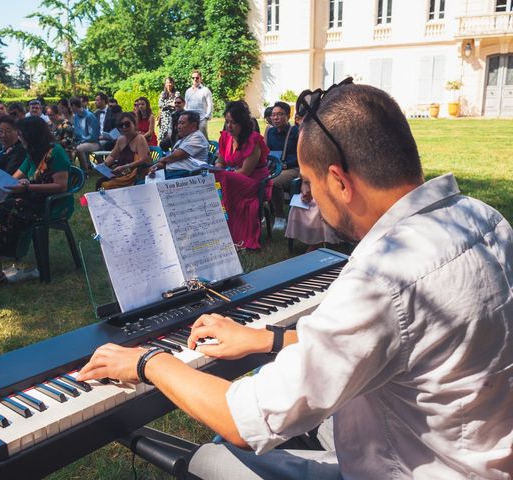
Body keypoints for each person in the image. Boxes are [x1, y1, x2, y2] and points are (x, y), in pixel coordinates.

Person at [76, 82, 513, 480]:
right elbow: (388, 341)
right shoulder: (484, 218)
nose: (311, 198)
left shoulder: (384, 275)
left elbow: (246, 420)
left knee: (215, 456)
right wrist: (266, 340)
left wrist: (147, 361)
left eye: (309, 183)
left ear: (339, 181)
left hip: (411, 465)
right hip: (474, 451)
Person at [0, 116, 70, 290]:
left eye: (21, 133)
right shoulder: (32, 153)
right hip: (32, 200)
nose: (20, 137)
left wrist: (27, 187)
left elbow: (61, 186)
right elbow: (14, 178)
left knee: (5, 209)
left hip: (51, 203)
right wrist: (0, 185)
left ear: (31, 135)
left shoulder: (55, 152)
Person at [214, 101, 271, 250]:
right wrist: (216, 171)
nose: (229, 126)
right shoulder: (225, 137)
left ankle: (237, 236)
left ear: (243, 123)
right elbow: (220, 162)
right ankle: (216, 232)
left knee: (222, 180)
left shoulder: (253, 140)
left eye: (233, 122)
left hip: (254, 181)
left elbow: (245, 172)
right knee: (212, 179)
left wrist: (222, 176)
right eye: (227, 122)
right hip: (232, 178)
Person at [266, 101, 300, 231]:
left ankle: (280, 217)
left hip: (293, 168)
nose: (275, 117)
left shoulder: (296, 131)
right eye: (273, 114)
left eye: (280, 114)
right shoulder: (270, 132)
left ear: (288, 116)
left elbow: (302, 155)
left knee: (274, 183)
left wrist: (286, 164)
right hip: (275, 167)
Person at [96, 112, 149, 190]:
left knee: (107, 185)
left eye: (127, 124)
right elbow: (112, 156)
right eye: (121, 125)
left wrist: (124, 167)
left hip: (135, 174)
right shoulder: (121, 139)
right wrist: (104, 165)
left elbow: (143, 159)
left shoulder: (140, 139)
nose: (124, 127)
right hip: (122, 172)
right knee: (100, 182)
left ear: (134, 125)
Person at [149, 111, 209, 179]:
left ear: (194, 125)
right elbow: (169, 160)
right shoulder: (182, 140)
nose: (178, 127)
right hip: (173, 174)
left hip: (186, 176)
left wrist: (161, 160)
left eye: (182, 123)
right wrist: (156, 166)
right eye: (178, 123)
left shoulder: (197, 137)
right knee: (142, 183)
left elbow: (175, 156)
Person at [71, 97, 100, 172]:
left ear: (74, 106)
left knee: (79, 148)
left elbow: (94, 136)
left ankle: (85, 171)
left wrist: (81, 142)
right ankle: (72, 171)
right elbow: (76, 132)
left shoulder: (90, 116)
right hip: (81, 141)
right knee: (67, 148)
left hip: (93, 143)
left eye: (70, 107)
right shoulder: (76, 116)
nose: (69, 109)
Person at [185, 70, 213, 139]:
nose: (195, 79)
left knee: (203, 138)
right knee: (190, 138)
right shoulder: (188, 91)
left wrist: (206, 117)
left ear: (200, 78)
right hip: (190, 118)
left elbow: (210, 104)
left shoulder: (205, 90)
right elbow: (186, 104)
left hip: (202, 118)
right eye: (193, 78)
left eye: (197, 78)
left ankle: (206, 149)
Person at [158, 77, 180, 146]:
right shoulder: (162, 94)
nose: (169, 84)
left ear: (173, 83)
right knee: (164, 137)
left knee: (173, 135)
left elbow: (175, 104)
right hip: (164, 118)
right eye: (167, 82)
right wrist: (169, 104)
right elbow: (160, 105)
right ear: (165, 84)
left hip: (173, 117)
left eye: (170, 82)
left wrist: (167, 105)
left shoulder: (177, 93)